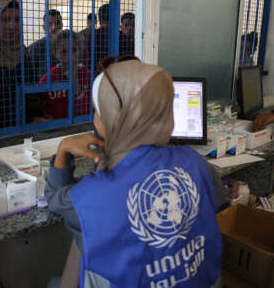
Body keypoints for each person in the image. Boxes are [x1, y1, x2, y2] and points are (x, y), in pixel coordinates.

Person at [46, 56, 225, 288]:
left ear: (110, 119)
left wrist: (63, 150)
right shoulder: (199, 165)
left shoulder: (93, 196)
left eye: (96, 110)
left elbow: (53, 199)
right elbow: (218, 205)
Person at [0, 0, 40, 128]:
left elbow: (31, 92)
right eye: (5, 20)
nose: (12, 26)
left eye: (17, 20)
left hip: (20, 129)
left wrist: (35, 117)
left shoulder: (22, 52)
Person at [39, 30, 91, 119]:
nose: (69, 56)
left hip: (84, 127)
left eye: (73, 50)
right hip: (57, 130)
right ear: (55, 53)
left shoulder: (90, 76)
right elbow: (40, 110)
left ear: (80, 50)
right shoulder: (47, 79)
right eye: (63, 51)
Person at [28, 9, 63, 82]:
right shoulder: (35, 48)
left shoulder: (69, 46)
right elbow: (30, 77)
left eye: (57, 23)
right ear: (44, 27)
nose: (54, 27)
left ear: (62, 25)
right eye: (50, 24)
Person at [87, 4, 110, 74]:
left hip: (97, 75)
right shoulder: (120, 35)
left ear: (99, 20)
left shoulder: (93, 36)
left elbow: (87, 59)